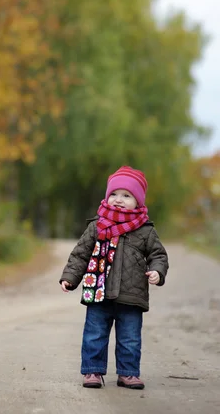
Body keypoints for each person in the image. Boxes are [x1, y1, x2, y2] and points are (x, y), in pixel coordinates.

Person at [59, 166, 169, 390]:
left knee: (130, 338)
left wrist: (158, 271)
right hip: (98, 291)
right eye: (114, 194)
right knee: (94, 334)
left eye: (127, 196)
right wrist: (70, 277)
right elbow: (80, 254)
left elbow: (159, 255)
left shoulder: (145, 231)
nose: (118, 200)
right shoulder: (97, 225)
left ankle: (128, 373)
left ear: (138, 201)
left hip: (132, 295)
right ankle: (92, 371)